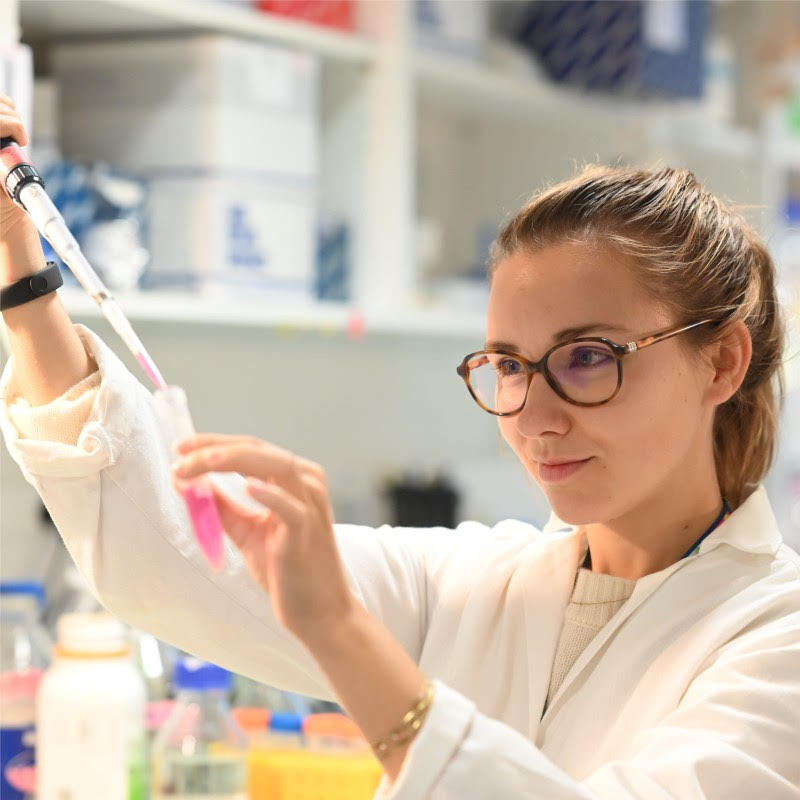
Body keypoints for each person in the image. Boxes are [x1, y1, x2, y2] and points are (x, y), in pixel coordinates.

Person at [1, 95, 799, 799]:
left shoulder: (775, 637)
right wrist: (18, 262)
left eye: (587, 357)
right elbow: (172, 556)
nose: (534, 416)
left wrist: (340, 630)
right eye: (508, 366)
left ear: (721, 362)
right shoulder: (469, 585)